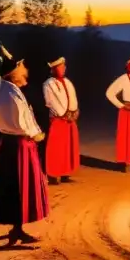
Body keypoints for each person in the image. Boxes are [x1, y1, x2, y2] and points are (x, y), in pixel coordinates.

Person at [0, 43, 50, 245]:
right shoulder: (10, 94)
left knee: (16, 187)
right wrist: (37, 135)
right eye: (21, 66)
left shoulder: (9, 90)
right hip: (19, 146)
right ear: (14, 73)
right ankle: (17, 230)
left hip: (12, 144)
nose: (25, 69)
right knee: (18, 187)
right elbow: (23, 121)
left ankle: (17, 229)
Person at [42, 56, 80, 184]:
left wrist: (74, 111)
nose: (63, 68)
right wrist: (62, 114)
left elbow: (73, 98)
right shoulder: (49, 84)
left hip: (69, 119)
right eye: (60, 66)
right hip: (58, 119)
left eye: (64, 66)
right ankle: (53, 174)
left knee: (68, 147)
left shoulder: (68, 82)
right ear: (53, 69)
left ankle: (65, 172)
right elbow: (51, 102)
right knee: (56, 148)